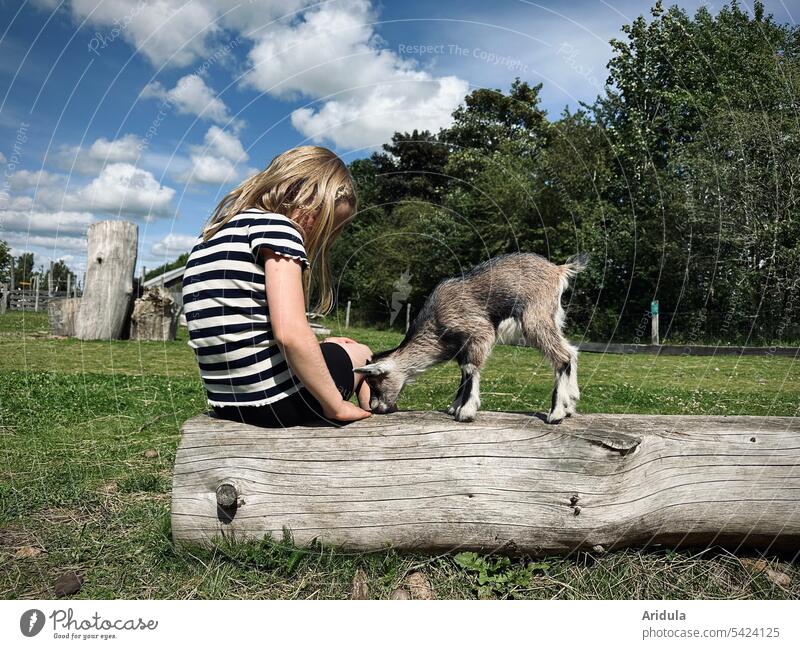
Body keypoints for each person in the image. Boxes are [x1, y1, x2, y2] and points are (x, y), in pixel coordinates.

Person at [182, 145, 373, 427]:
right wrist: (335, 406)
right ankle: (377, 415)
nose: (320, 237)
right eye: (327, 224)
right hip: (278, 404)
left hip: (227, 403)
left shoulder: (212, 235)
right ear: (310, 203)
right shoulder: (279, 230)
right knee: (362, 353)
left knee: (335, 346)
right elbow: (290, 334)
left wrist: (326, 347)